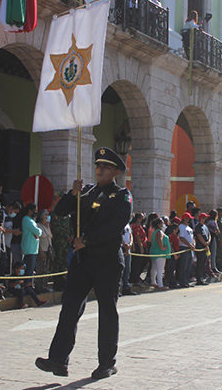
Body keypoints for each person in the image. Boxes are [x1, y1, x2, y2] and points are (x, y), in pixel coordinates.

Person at [36, 147, 132, 380]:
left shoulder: (122, 196)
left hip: (107, 260)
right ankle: (58, 360)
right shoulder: (86, 191)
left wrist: (86, 241)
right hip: (82, 260)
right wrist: (72, 193)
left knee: (107, 311)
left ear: (116, 171)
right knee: (69, 308)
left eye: (106, 167)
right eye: (98, 166)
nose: (100, 170)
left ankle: (107, 363)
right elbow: (59, 210)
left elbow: (115, 227)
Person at [21, 203, 42, 286]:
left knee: (31, 269)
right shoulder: (26, 220)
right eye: (34, 211)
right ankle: (26, 285)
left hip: (33, 249)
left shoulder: (32, 220)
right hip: (28, 249)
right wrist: (39, 230)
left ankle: (29, 284)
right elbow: (38, 232)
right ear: (29, 211)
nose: (36, 212)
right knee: (28, 269)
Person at [149, 218, 171, 290]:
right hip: (160, 253)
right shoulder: (159, 232)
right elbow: (159, 239)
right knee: (160, 269)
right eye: (162, 223)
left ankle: (153, 281)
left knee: (154, 268)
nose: (163, 225)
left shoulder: (154, 232)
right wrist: (162, 247)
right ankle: (160, 285)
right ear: (159, 225)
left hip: (154, 252)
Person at [35, 209, 53, 293]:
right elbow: (37, 239)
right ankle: (39, 287)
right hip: (42, 250)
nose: (48, 216)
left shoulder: (48, 226)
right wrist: (40, 251)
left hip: (48, 250)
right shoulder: (38, 225)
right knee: (40, 269)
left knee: (46, 269)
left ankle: (44, 286)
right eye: (46, 215)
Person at [193, 213, 211, 285]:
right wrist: (204, 243)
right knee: (199, 263)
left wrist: (208, 242)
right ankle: (198, 279)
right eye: (204, 218)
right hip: (200, 247)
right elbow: (199, 236)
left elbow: (209, 235)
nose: (205, 219)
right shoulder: (198, 227)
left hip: (205, 248)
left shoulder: (205, 226)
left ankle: (202, 277)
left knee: (203, 263)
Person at [129, 212, 147, 285]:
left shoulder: (140, 226)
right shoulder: (135, 226)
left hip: (142, 245)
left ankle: (136, 277)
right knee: (136, 263)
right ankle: (134, 279)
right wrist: (141, 246)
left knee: (140, 263)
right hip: (138, 246)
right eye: (141, 218)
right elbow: (137, 236)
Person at [121, 221, 136, 296]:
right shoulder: (120, 223)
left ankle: (126, 287)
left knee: (127, 268)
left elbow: (131, 235)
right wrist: (124, 245)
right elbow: (119, 235)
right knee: (121, 269)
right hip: (122, 248)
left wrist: (130, 244)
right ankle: (119, 287)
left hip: (128, 248)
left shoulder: (128, 225)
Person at [164, 222, 181, 288]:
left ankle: (173, 281)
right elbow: (170, 246)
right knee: (170, 268)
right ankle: (170, 282)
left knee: (173, 268)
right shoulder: (171, 236)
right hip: (172, 253)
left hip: (176, 252)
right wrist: (174, 254)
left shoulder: (176, 236)